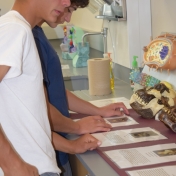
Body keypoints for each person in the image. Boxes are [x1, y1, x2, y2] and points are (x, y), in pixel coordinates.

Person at [0, 0, 102, 175]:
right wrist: (12, 164)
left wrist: (70, 146)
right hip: (28, 167)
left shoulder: (20, 29)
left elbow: (27, 118)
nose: (66, 2)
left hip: (36, 163)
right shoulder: (14, 29)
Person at [32, 1, 129, 175]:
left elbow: (57, 92)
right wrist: (76, 129)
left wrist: (98, 110)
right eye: (68, 10)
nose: (67, 17)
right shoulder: (27, 37)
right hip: (44, 153)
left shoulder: (37, 34)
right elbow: (36, 109)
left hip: (55, 149)